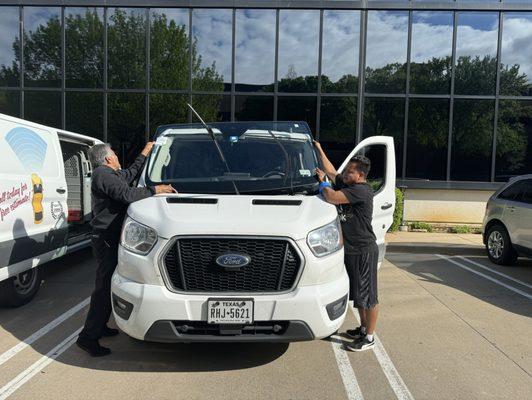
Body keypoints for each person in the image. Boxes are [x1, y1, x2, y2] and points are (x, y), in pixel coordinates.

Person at [76, 142, 175, 357]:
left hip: (110, 238)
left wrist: (144, 153)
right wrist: (156, 190)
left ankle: (100, 326)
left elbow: (128, 175)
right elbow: (126, 194)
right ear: (108, 159)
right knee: (103, 288)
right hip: (105, 239)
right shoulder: (102, 174)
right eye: (114, 154)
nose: (117, 156)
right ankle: (87, 337)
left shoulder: (110, 174)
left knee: (108, 284)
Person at [314, 141, 379, 352]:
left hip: (364, 251)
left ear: (360, 175)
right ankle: (362, 328)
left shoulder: (361, 191)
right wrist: (319, 148)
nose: (345, 174)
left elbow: (332, 197)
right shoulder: (350, 183)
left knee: (369, 297)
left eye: (349, 171)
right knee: (359, 295)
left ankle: (369, 337)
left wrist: (323, 183)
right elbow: (332, 171)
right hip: (351, 250)